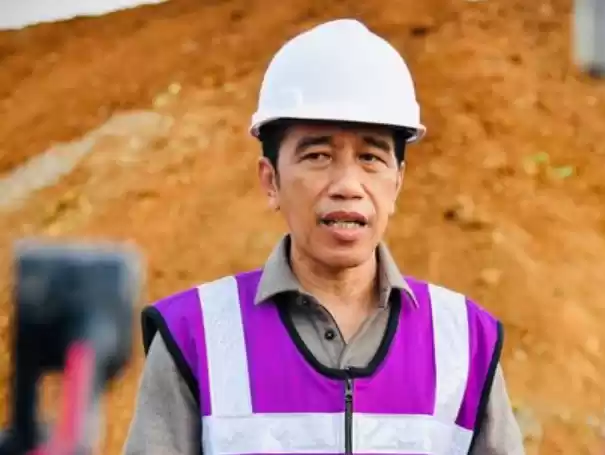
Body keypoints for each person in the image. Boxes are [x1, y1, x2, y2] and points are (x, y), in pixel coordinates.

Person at [123, 18, 525, 455]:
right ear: (271, 180)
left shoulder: (465, 342)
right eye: (317, 156)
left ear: (397, 182)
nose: (347, 185)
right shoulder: (193, 336)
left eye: (370, 157)